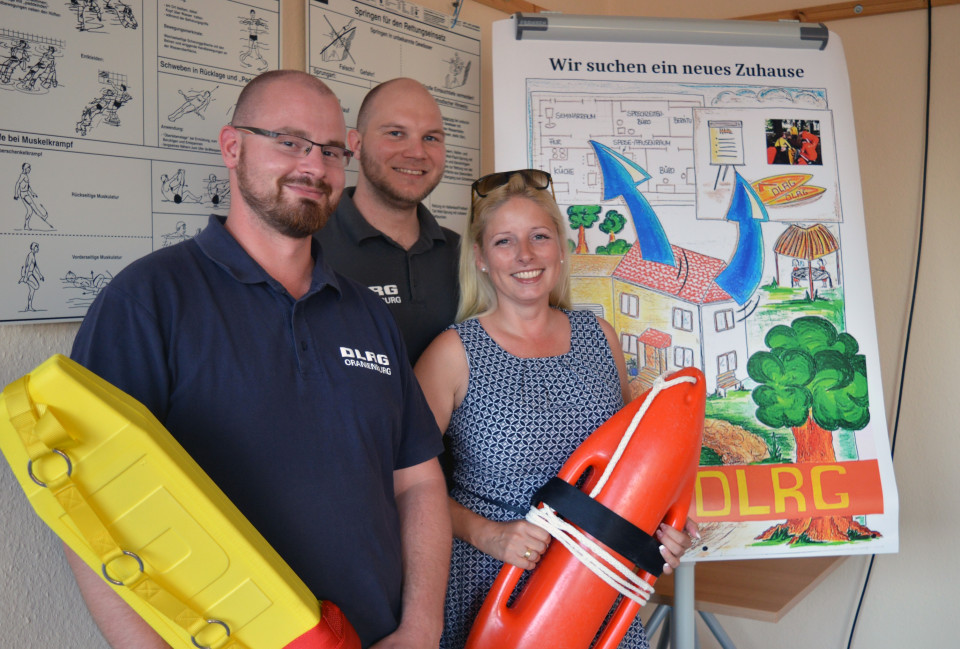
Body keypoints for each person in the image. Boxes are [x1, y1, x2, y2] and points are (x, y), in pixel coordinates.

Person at [67, 69, 450, 649]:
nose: (313, 166)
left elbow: (417, 483)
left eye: (329, 151)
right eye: (289, 142)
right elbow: (86, 507)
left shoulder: (367, 315)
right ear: (233, 146)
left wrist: (421, 627)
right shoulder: (147, 299)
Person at [414, 169, 699, 649]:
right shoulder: (452, 353)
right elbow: (405, 484)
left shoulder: (599, 337)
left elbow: (632, 467)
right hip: (494, 592)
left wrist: (665, 527)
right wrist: (488, 535)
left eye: (539, 237)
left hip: (596, 586)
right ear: (481, 258)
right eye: (505, 241)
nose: (525, 255)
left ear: (561, 250)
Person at [316, 78, 459, 364]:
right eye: (396, 133)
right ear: (355, 144)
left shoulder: (461, 253)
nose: (416, 152)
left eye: (431, 138)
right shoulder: (309, 245)